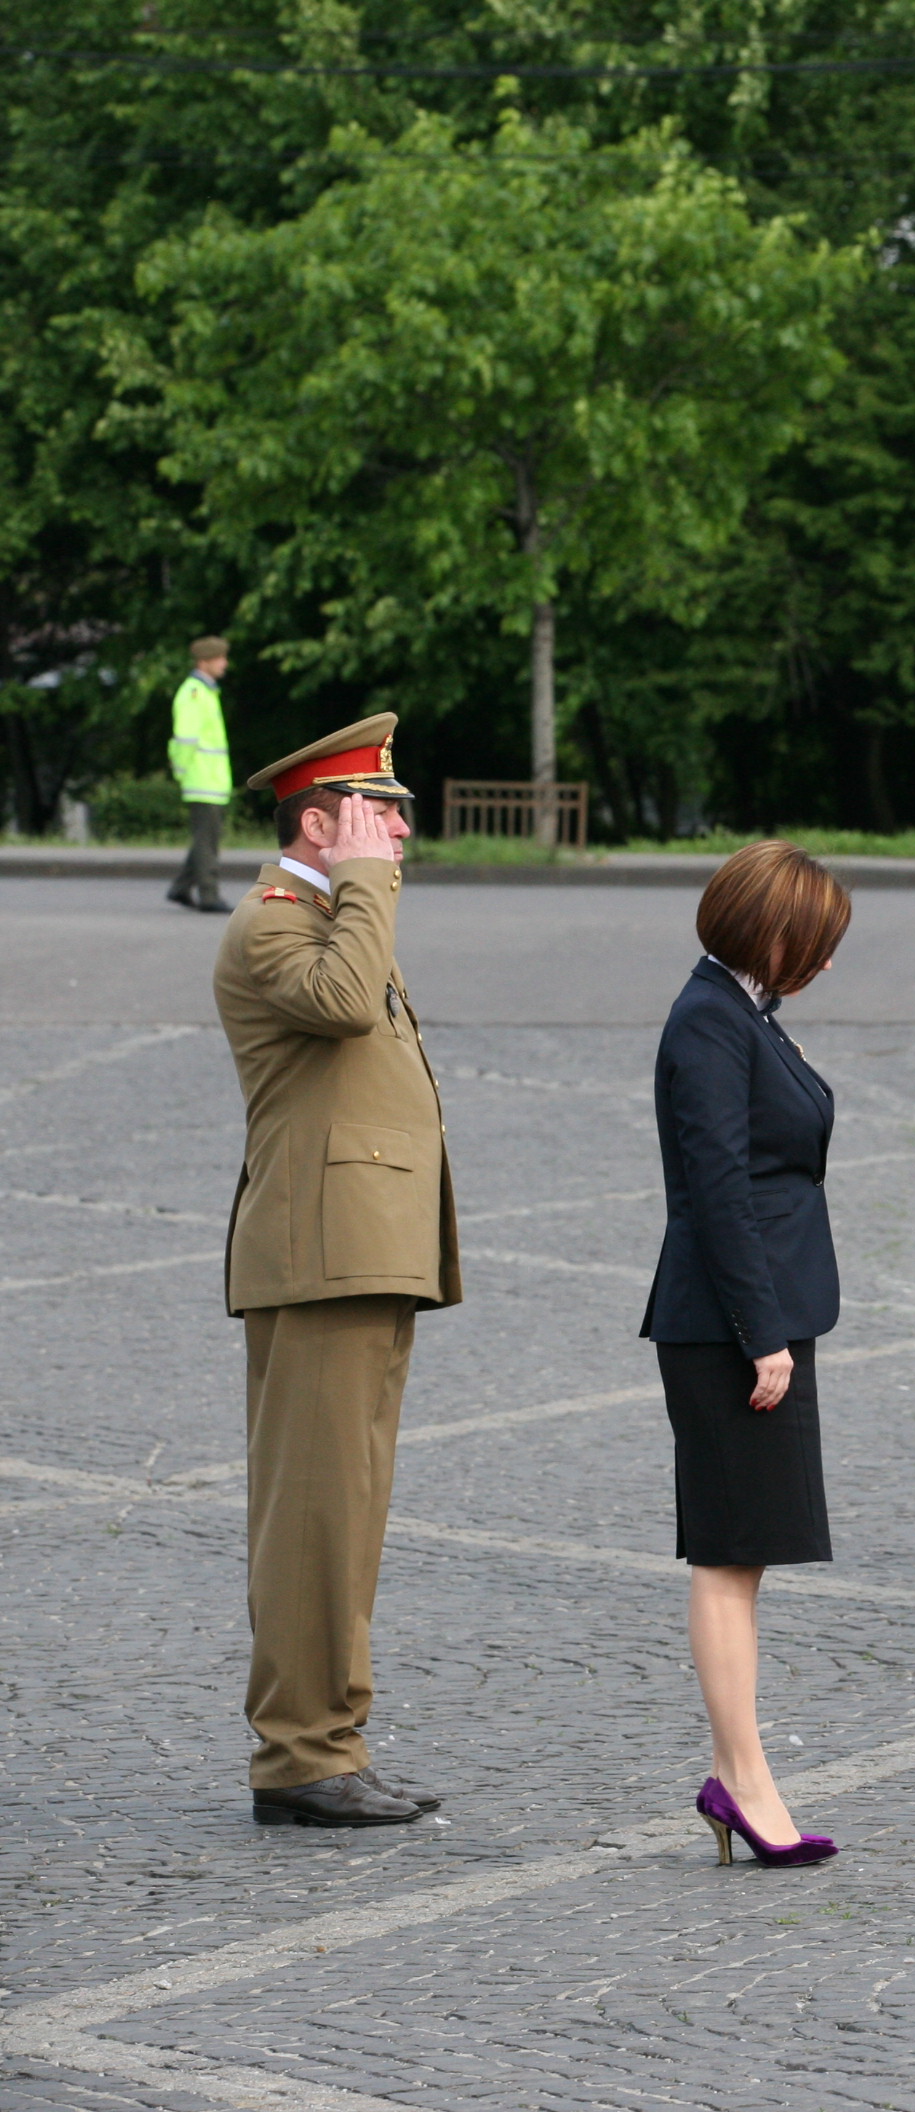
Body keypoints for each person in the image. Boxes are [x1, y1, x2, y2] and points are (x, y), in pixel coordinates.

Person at [212, 714, 460, 1828]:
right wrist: (361, 880)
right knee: (312, 1518)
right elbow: (349, 1003)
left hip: (359, 1258)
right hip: (318, 1260)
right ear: (319, 820)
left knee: (346, 1516)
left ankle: (331, 1741)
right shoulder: (274, 928)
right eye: (379, 813)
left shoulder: (332, 917)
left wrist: (357, 886)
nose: (400, 834)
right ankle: (300, 1755)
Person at [643, 842, 854, 1869]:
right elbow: (717, 1190)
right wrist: (760, 1334)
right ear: (769, 933)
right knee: (727, 1557)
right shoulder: (710, 1022)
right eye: (813, 945)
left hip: (754, 1317)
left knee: (744, 1557)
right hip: (732, 1328)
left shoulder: (738, 1012)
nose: (821, 963)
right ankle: (742, 1777)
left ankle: (745, 1774)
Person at [166, 635, 232, 913]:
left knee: (205, 839)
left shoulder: (205, 691)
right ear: (204, 662)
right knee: (207, 842)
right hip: (202, 779)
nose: (225, 664)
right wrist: (182, 772)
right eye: (220, 659)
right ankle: (209, 895)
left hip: (209, 780)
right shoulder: (194, 693)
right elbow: (185, 739)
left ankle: (181, 888)